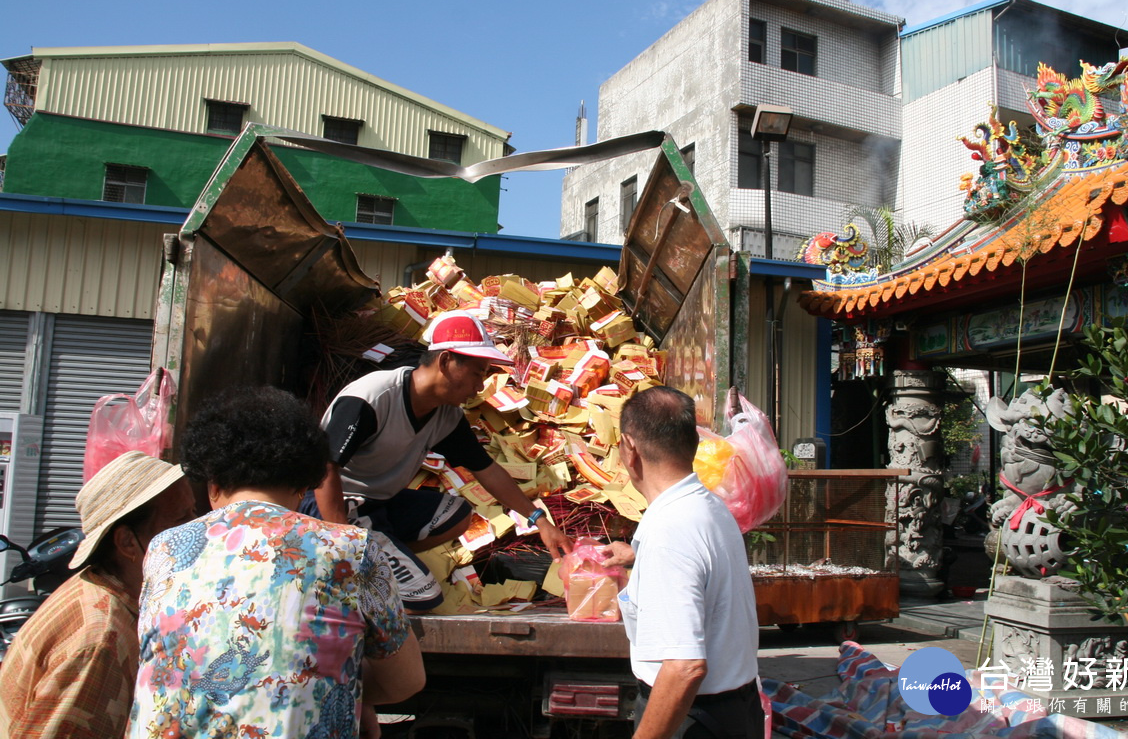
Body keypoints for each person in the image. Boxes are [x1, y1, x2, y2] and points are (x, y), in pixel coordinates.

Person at [126, 387, 423, 739]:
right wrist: (346, 690)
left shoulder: (164, 548)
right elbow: (406, 681)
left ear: (214, 486)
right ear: (303, 486)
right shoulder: (350, 550)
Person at [304, 309, 573, 611]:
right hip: (334, 504)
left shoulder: (445, 414)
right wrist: (344, 543)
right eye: (477, 373)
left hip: (380, 505)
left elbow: (486, 469)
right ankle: (346, 575)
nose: (480, 385)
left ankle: (380, 555)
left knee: (457, 514)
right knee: (424, 596)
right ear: (446, 361)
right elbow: (324, 469)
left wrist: (539, 521)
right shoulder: (373, 397)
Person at [0, 451, 195, 739]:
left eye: (195, 512)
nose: (201, 527)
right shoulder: (102, 637)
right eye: (182, 520)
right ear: (128, 542)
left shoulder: (100, 590)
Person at [602, 386, 762, 739]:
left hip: (695, 719)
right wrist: (637, 558)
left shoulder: (670, 530)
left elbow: (685, 667)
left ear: (630, 450)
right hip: (734, 710)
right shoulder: (707, 505)